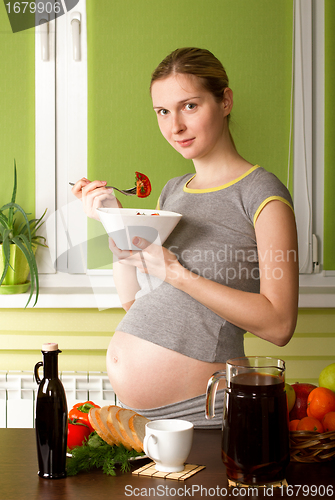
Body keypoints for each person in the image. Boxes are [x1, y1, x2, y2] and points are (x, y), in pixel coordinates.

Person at [72, 47, 299, 428]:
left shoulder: (262, 194)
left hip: (203, 411)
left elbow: (280, 326)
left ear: (224, 101)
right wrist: (112, 216)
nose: (174, 126)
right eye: (163, 111)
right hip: (140, 419)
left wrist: (177, 273)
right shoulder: (173, 191)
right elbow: (134, 301)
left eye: (189, 106)